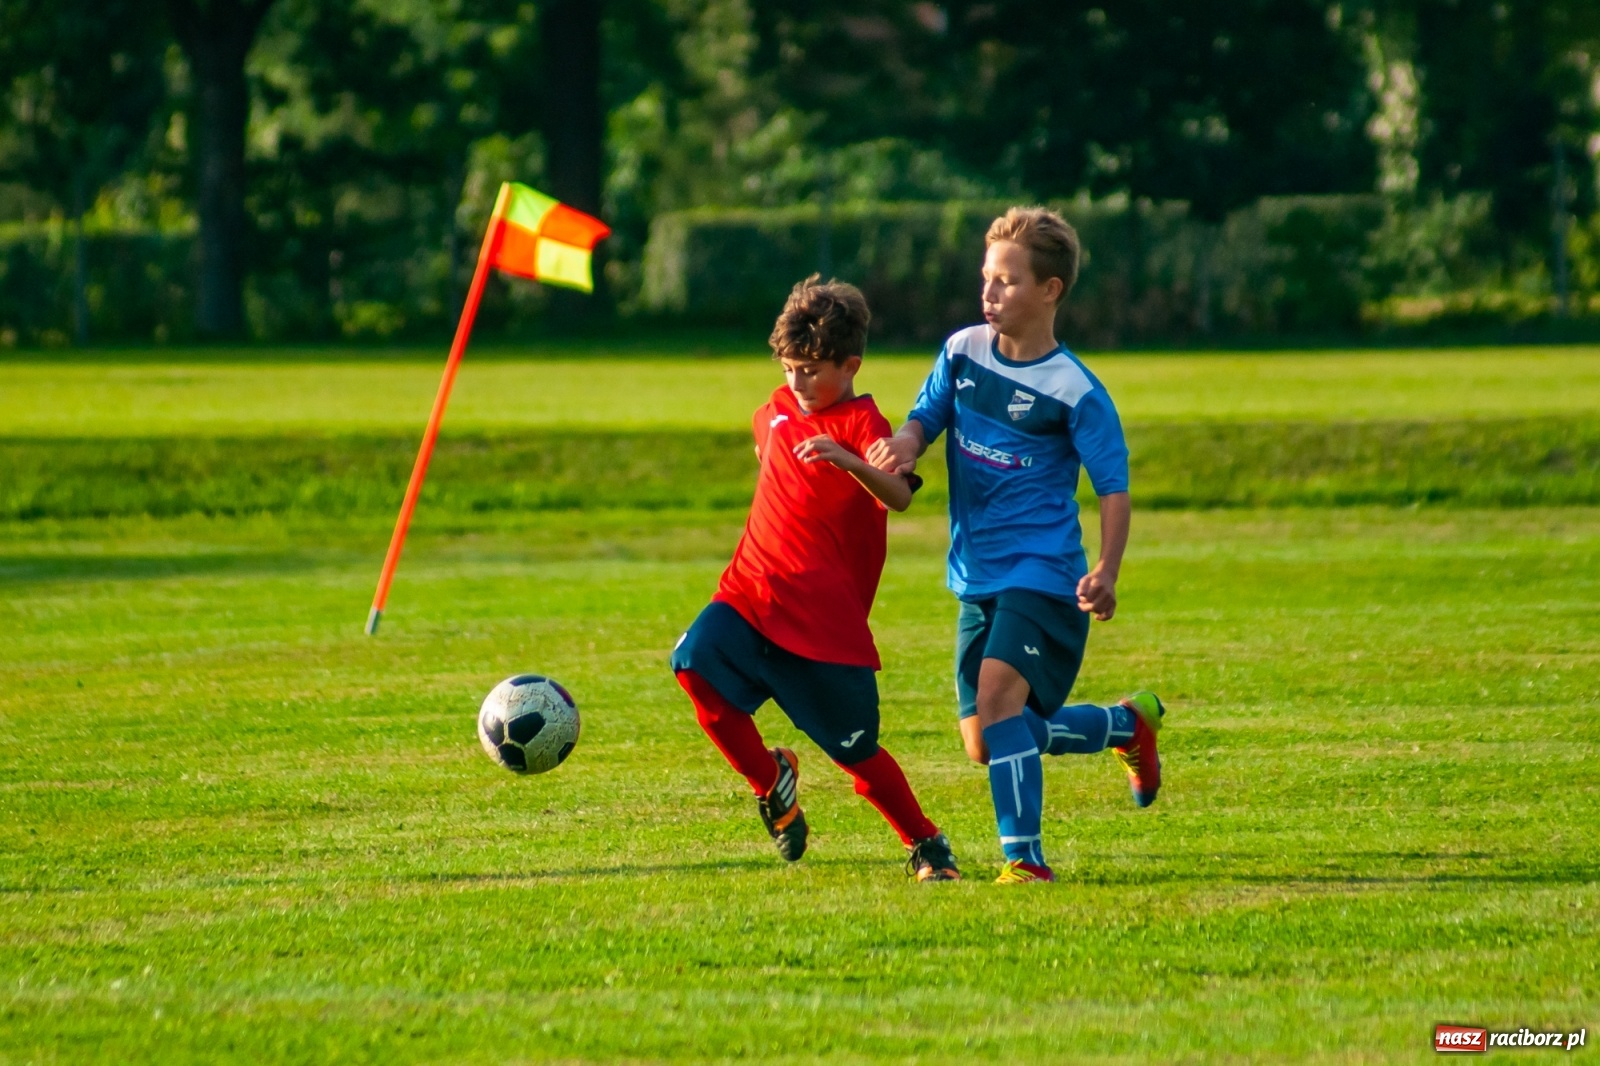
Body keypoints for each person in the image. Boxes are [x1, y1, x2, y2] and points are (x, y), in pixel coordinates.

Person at [866, 207, 1166, 884]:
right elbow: (924, 420)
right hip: (976, 576)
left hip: (1044, 575)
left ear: (1050, 290)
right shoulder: (962, 352)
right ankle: (1124, 727)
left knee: (1000, 702)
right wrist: (902, 446)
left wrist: (1107, 570)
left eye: (1006, 281)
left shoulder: (1076, 390)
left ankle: (1023, 859)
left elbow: (1112, 486)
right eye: (987, 279)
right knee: (986, 740)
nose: (989, 293)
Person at [671, 275, 961, 882]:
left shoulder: (863, 423)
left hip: (824, 627)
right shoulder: (773, 413)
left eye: (810, 370)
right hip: (750, 594)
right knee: (693, 666)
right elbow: (769, 451)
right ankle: (771, 781)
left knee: (857, 754)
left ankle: (926, 844)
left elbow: (901, 498)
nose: (797, 384)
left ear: (849, 364)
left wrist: (851, 460)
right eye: (788, 369)